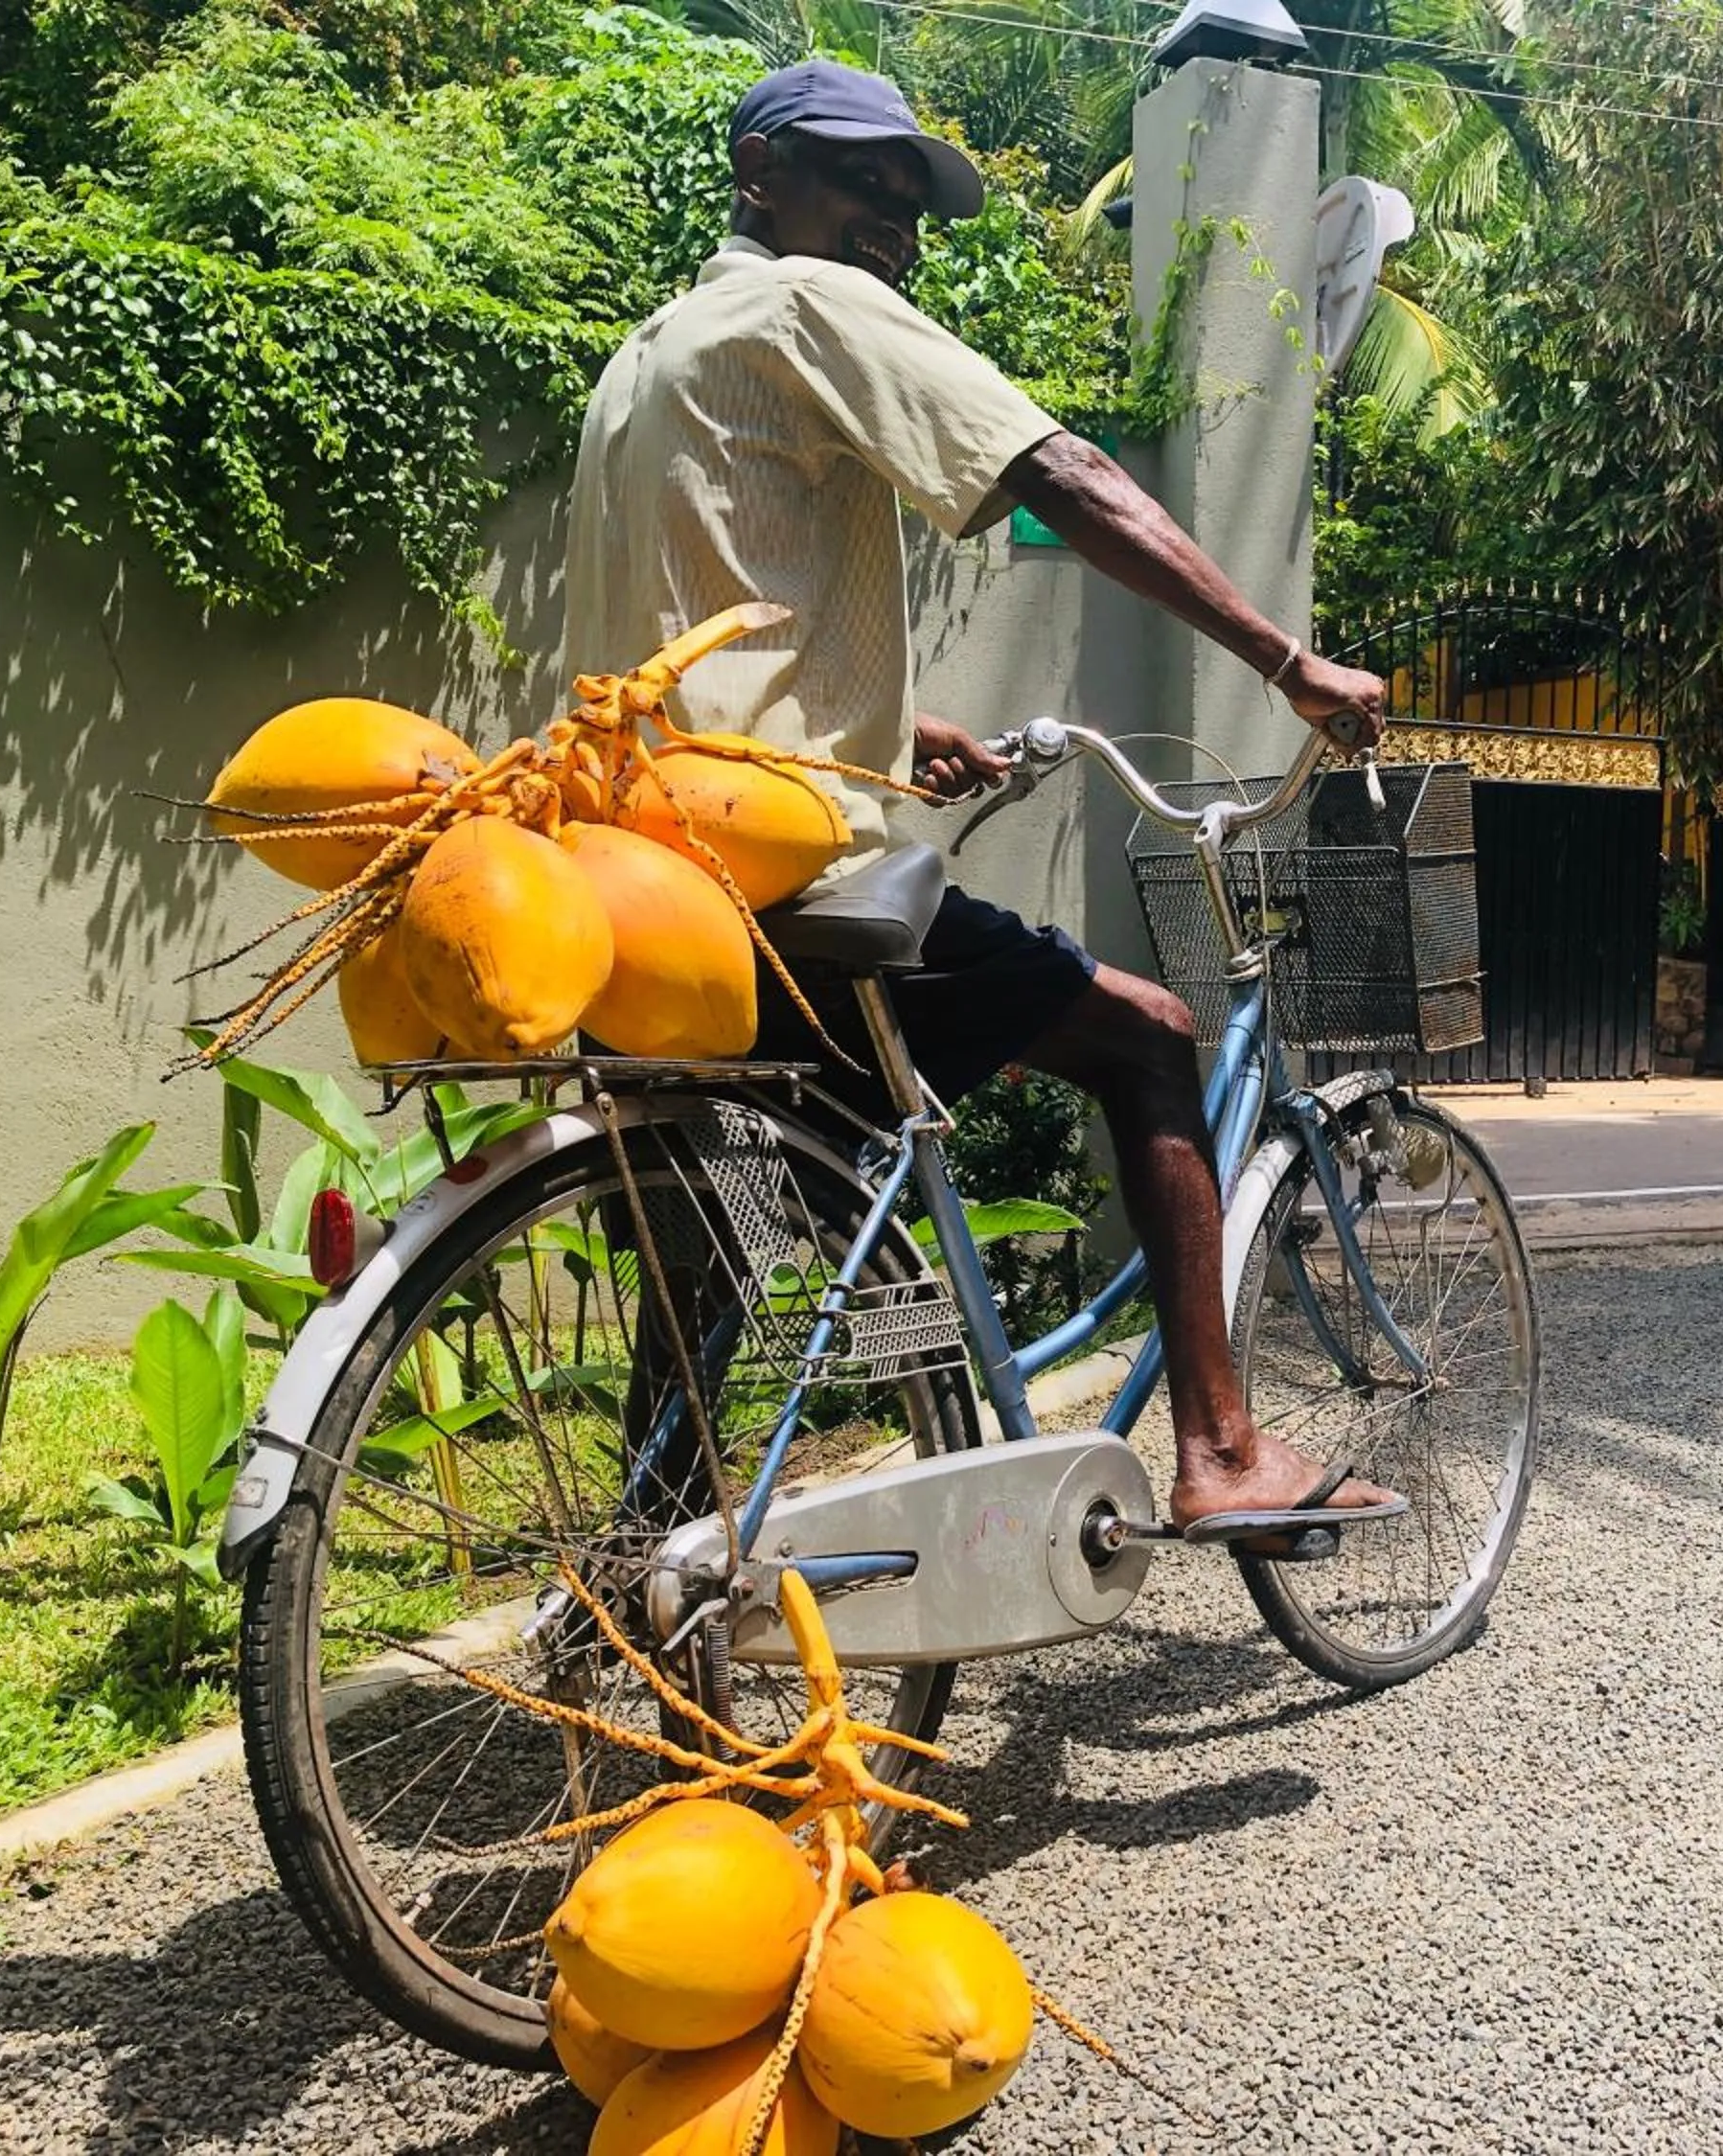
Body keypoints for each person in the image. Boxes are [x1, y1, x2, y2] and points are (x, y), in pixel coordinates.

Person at [563, 59, 1400, 1549]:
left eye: (909, 197)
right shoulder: (810, 306)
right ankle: (1219, 1447)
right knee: (1153, 1038)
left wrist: (896, 722)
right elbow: (1064, 470)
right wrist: (1286, 658)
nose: (895, 217)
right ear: (762, 174)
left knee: (709, 1252)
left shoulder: (652, 355)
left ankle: (647, 1576)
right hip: (794, 885)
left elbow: (705, 607)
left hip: (647, 888)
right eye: (860, 180)